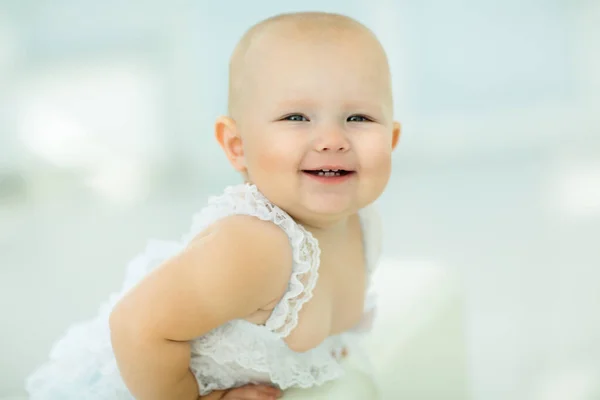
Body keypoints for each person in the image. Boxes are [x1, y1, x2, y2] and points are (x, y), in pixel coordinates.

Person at [25, 10, 401, 399]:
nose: (331, 140)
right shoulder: (254, 247)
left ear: (391, 140)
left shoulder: (362, 221)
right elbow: (135, 328)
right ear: (237, 146)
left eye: (358, 117)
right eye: (296, 116)